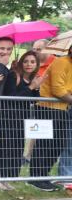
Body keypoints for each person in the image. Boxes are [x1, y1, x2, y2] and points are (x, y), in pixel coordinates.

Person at [0, 51, 42, 189]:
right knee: (3, 146)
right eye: (26, 61)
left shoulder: (32, 79)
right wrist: (30, 87)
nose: (29, 64)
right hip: (7, 117)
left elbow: (33, 100)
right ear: (21, 62)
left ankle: (6, 178)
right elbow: (12, 96)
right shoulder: (13, 75)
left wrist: (36, 88)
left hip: (21, 119)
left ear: (36, 65)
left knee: (16, 148)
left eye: (32, 62)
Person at [28, 44, 72, 191]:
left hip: (61, 109)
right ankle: (36, 178)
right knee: (43, 144)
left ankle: (43, 175)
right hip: (45, 107)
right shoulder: (61, 62)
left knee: (58, 144)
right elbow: (57, 89)